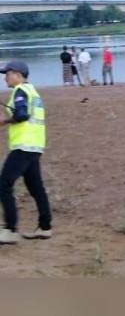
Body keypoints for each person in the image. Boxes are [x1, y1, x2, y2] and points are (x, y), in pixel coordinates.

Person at [0, 61, 52, 244]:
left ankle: (10, 229)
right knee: (36, 188)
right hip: (36, 145)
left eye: (7, 73)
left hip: (23, 146)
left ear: (18, 74)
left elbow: (22, 115)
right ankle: (45, 228)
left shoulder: (20, 91)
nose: (5, 77)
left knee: (4, 184)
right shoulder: (33, 92)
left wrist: (4, 122)